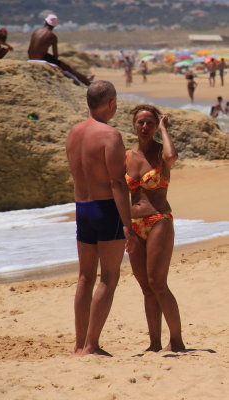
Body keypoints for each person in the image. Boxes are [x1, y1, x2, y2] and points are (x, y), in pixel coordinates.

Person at [66, 80, 136, 356]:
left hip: (82, 208)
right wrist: (128, 225)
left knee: (84, 277)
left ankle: (79, 343)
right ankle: (92, 345)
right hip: (106, 209)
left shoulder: (73, 133)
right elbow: (117, 183)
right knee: (108, 276)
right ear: (111, 103)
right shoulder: (110, 135)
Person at [125, 104, 185, 352]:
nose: (144, 127)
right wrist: (123, 226)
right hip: (134, 224)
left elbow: (172, 157)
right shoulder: (127, 157)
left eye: (149, 122)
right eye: (140, 122)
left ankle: (177, 340)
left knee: (158, 283)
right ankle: (154, 343)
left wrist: (164, 129)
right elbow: (117, 191)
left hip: (159, 219)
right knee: (147, 288)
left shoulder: (161, 154)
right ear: (134, 125)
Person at [28, 14, 93, 86]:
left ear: (45, 22)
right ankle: (86, 80)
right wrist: (57, 63)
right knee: (66, 67)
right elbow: (55, 55)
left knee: (55, 60)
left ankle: (85, 77)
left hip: (30, 56)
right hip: (41, 58)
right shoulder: (52, 36)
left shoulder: (36, 31)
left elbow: (32, 46)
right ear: (54, 26)